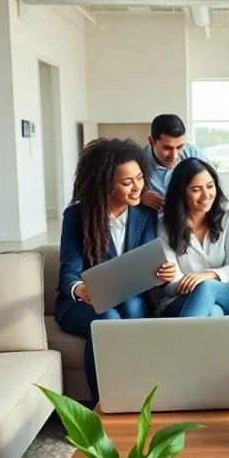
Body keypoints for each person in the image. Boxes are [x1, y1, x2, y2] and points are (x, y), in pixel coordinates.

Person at [54, 138, 177, 405]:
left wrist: (162, 272)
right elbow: (68, 273)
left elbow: (146, 264)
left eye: (140, 178)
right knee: (106, 319)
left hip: (129, 295)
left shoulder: (144, 215)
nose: (137, 187)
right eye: (127, 182)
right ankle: (103, 405)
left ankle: (136, 397)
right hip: (82, 302)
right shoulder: (77, 216)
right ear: (106, 184)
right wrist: (80, 289)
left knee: (133, 310)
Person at [157, 158, 229, 320]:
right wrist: (195, 285)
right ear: (181, 192)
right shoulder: (165, 225)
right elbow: (170, 285)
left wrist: (206, 276)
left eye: (210, 186)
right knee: (214, 312)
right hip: (179, 301)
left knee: (208, 287)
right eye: (196, 189)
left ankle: (179, 344)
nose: (206, 195)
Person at [141, 114, 208, 211]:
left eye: (179, 147)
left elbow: (213, 185)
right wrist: (140, 198)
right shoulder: (138, 162)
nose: (174, 156)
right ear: (151, 142)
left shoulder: (194, 154)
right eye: (167, 148)